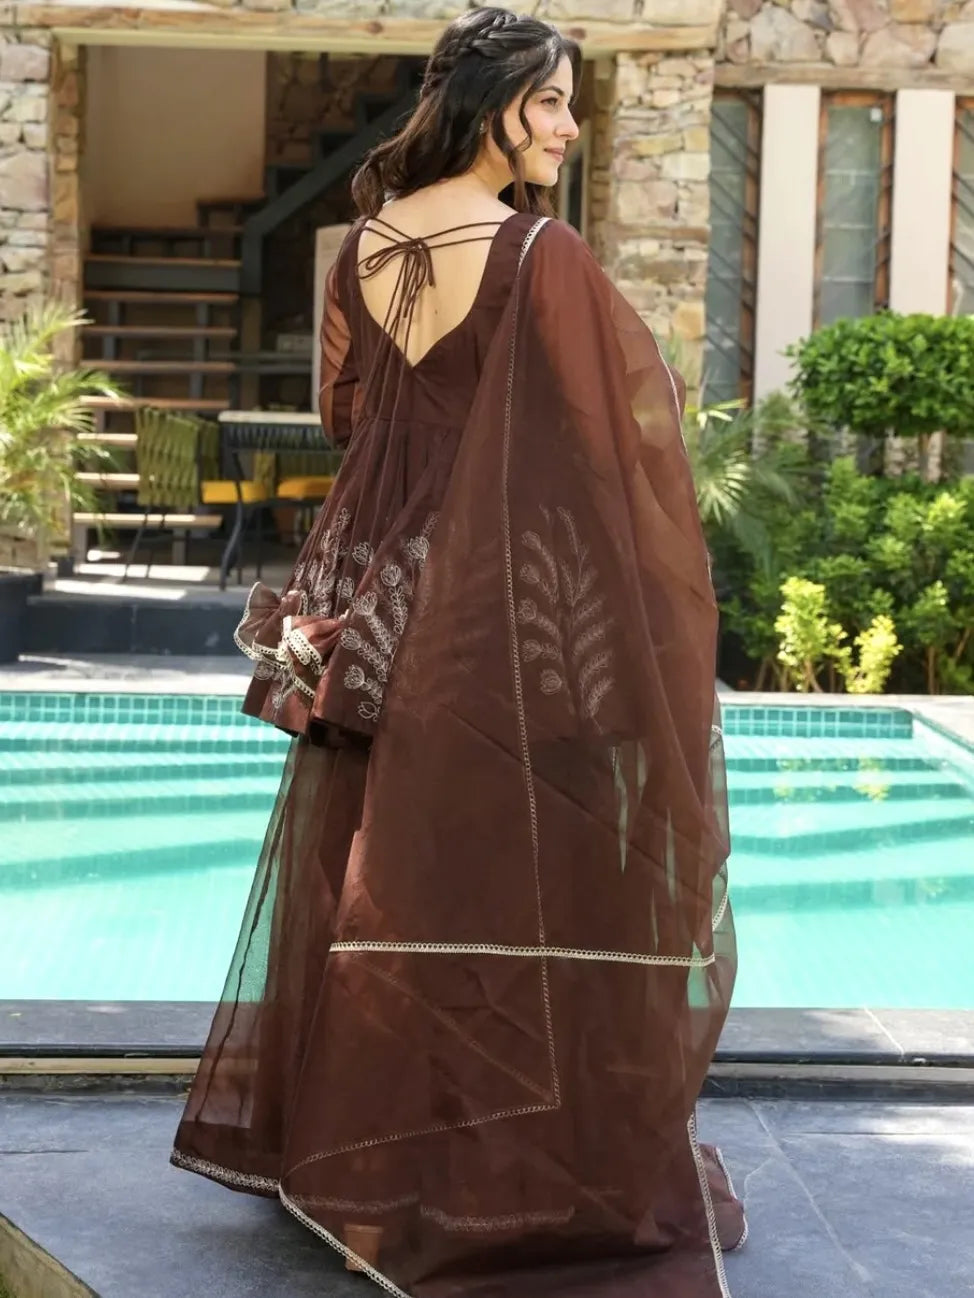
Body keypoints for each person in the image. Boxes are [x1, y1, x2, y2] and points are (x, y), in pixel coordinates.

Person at [172, 9, 744, 1296]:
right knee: (515, 865)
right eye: (548, 103)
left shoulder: (366, 242)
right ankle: (495, 1158)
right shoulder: (536, 252)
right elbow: (606, 451)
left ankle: (364, 1143)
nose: (566, 127)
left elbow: (349, 418)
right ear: (492, 104)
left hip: (368, 601)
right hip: (494, 612)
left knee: (378, 863)